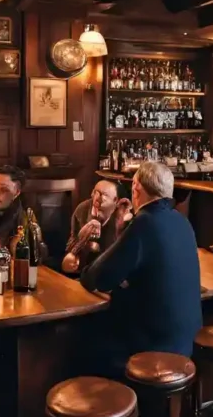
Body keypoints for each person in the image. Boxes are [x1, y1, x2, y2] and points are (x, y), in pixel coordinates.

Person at [79, 162, 202, 378]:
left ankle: (118, 409)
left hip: (153, 347)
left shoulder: (144, 223)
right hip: (187, 341)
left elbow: (96, 278)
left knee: (83, 342)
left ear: (136, 189)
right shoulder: (183, 222)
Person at [61, 180, 133, 274]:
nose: (96, 198)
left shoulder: (123, 216)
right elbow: (72, 240)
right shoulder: (83, 209)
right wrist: (72, 253)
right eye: (95, 192)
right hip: (84, 272)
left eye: (104, 195)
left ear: (115, 200)